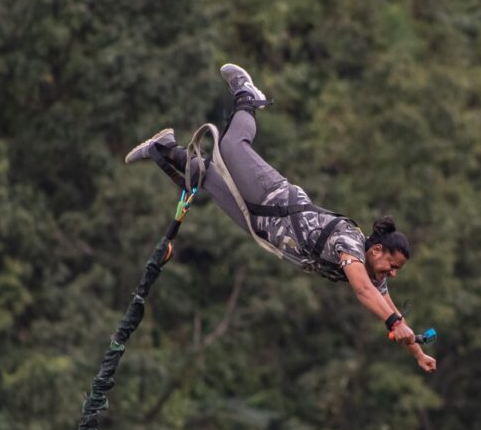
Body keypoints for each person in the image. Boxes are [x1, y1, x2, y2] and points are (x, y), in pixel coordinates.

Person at [125, 64, 437, 373]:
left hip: (261, 227)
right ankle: (247, 95)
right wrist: (394, 323)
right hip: (273, 198)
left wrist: (418, 353)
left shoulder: (373, 275)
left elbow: (392, 310)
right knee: (231, 146)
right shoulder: (350, 244)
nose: (392, 274)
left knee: (204, 177)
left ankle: (164, 146)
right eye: (392, 265)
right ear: (376, 250)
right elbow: (365, 294)